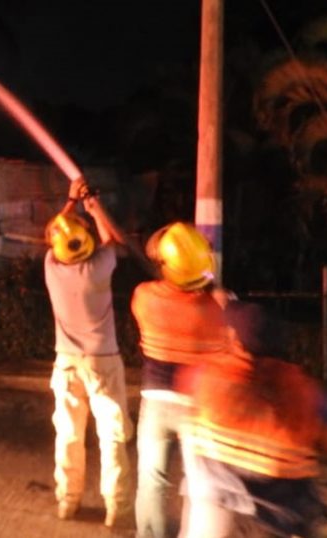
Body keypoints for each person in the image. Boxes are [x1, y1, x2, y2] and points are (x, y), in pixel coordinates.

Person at [177, 301, 327, 538]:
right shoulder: (303, 391)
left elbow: (186, 426)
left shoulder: (201, 378)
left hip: (214, 521)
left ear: (232, 338)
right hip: (279, 524)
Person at [130, 222, 231, 538]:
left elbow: (161, 281)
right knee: (200, 484)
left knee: (151, 480)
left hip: (157, 398)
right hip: (200, 403)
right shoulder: (219, 306)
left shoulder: (144, 297)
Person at [43, 178, 133, 527]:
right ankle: (117, 507)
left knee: (68, 435)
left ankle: (68, 501)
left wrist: (70, 201)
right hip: (104, 362)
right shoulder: (99, 266)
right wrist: (94, 207)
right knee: (111, 436)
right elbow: (115, 240)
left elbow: (54, 232)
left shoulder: (52, 267)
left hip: (66, 364)